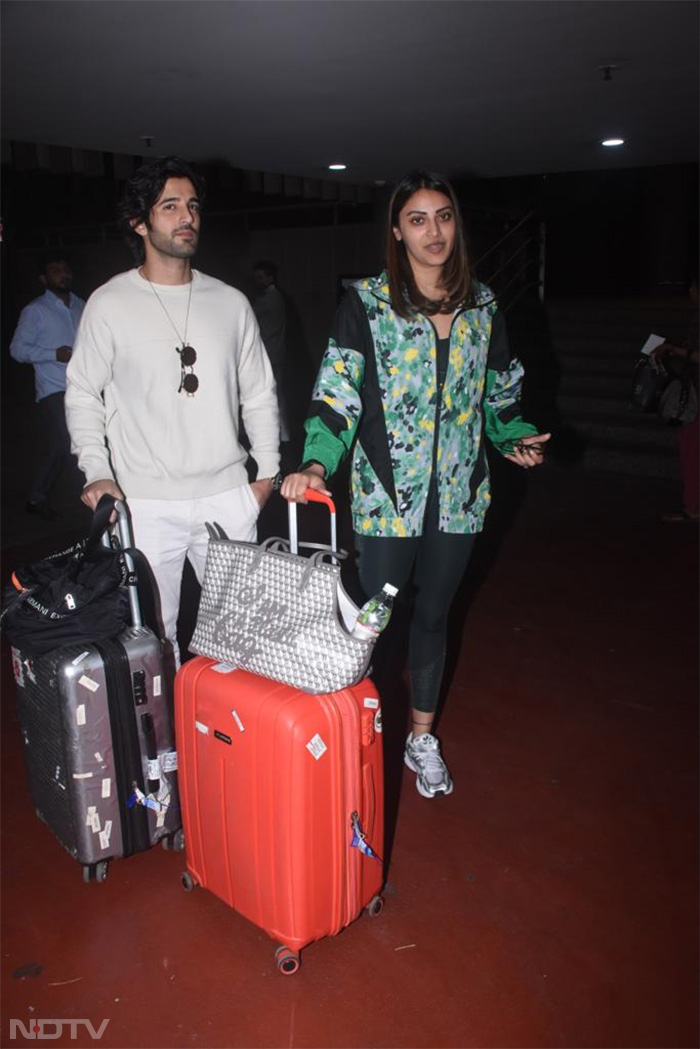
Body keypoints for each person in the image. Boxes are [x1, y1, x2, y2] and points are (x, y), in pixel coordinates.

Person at [281, 170, 550, 799]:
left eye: (444, 217)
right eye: (419, 219)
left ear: (457, 224)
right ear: (397, 232)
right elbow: (336, 394)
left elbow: (500, 394)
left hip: (459, 496)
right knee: (375, 619)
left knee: (434, 615)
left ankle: (421, 738)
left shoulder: (484, 308)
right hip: (385, 497)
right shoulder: (367, 305)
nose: (434, 231)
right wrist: (317, 462)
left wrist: (514, 438)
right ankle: (359, 730)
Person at [65, 156, 280, 663]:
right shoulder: (109, 303)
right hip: (144, 504)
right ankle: (164, 744)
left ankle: (234, 739)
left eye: (193, 206)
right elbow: (81, 393)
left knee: (242, 634)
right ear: (139, 223)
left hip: (227, 496)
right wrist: (96, 471)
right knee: (151, 640)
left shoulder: (230, 302)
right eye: (169, 207)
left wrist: (266, 474)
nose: (187, 217)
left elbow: (261, 391)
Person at [10, 253, 85, 520]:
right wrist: (54, 354)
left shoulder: (81, 306)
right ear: (44, 278)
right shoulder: (36, 310)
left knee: (86, 441)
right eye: (55, 270)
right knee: (62, 444)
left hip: (84, 387)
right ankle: (37, 498)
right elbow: (17, 350)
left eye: (65, 269)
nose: (62, 274)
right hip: (53, 389)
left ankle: (91, 497)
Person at [651, 276, 699, 523]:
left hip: (696, 397)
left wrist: (673, 350)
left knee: (691, 450)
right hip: (694, 392)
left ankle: (693, 507)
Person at [253, 260, 290, 443]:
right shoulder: (274, 298)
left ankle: (279, 435)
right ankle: (282, 435)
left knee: (271, 395)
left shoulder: (270, 299)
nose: (257, 281)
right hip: (273, 353)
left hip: (270, 354)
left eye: (261, 277)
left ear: (271, 278)